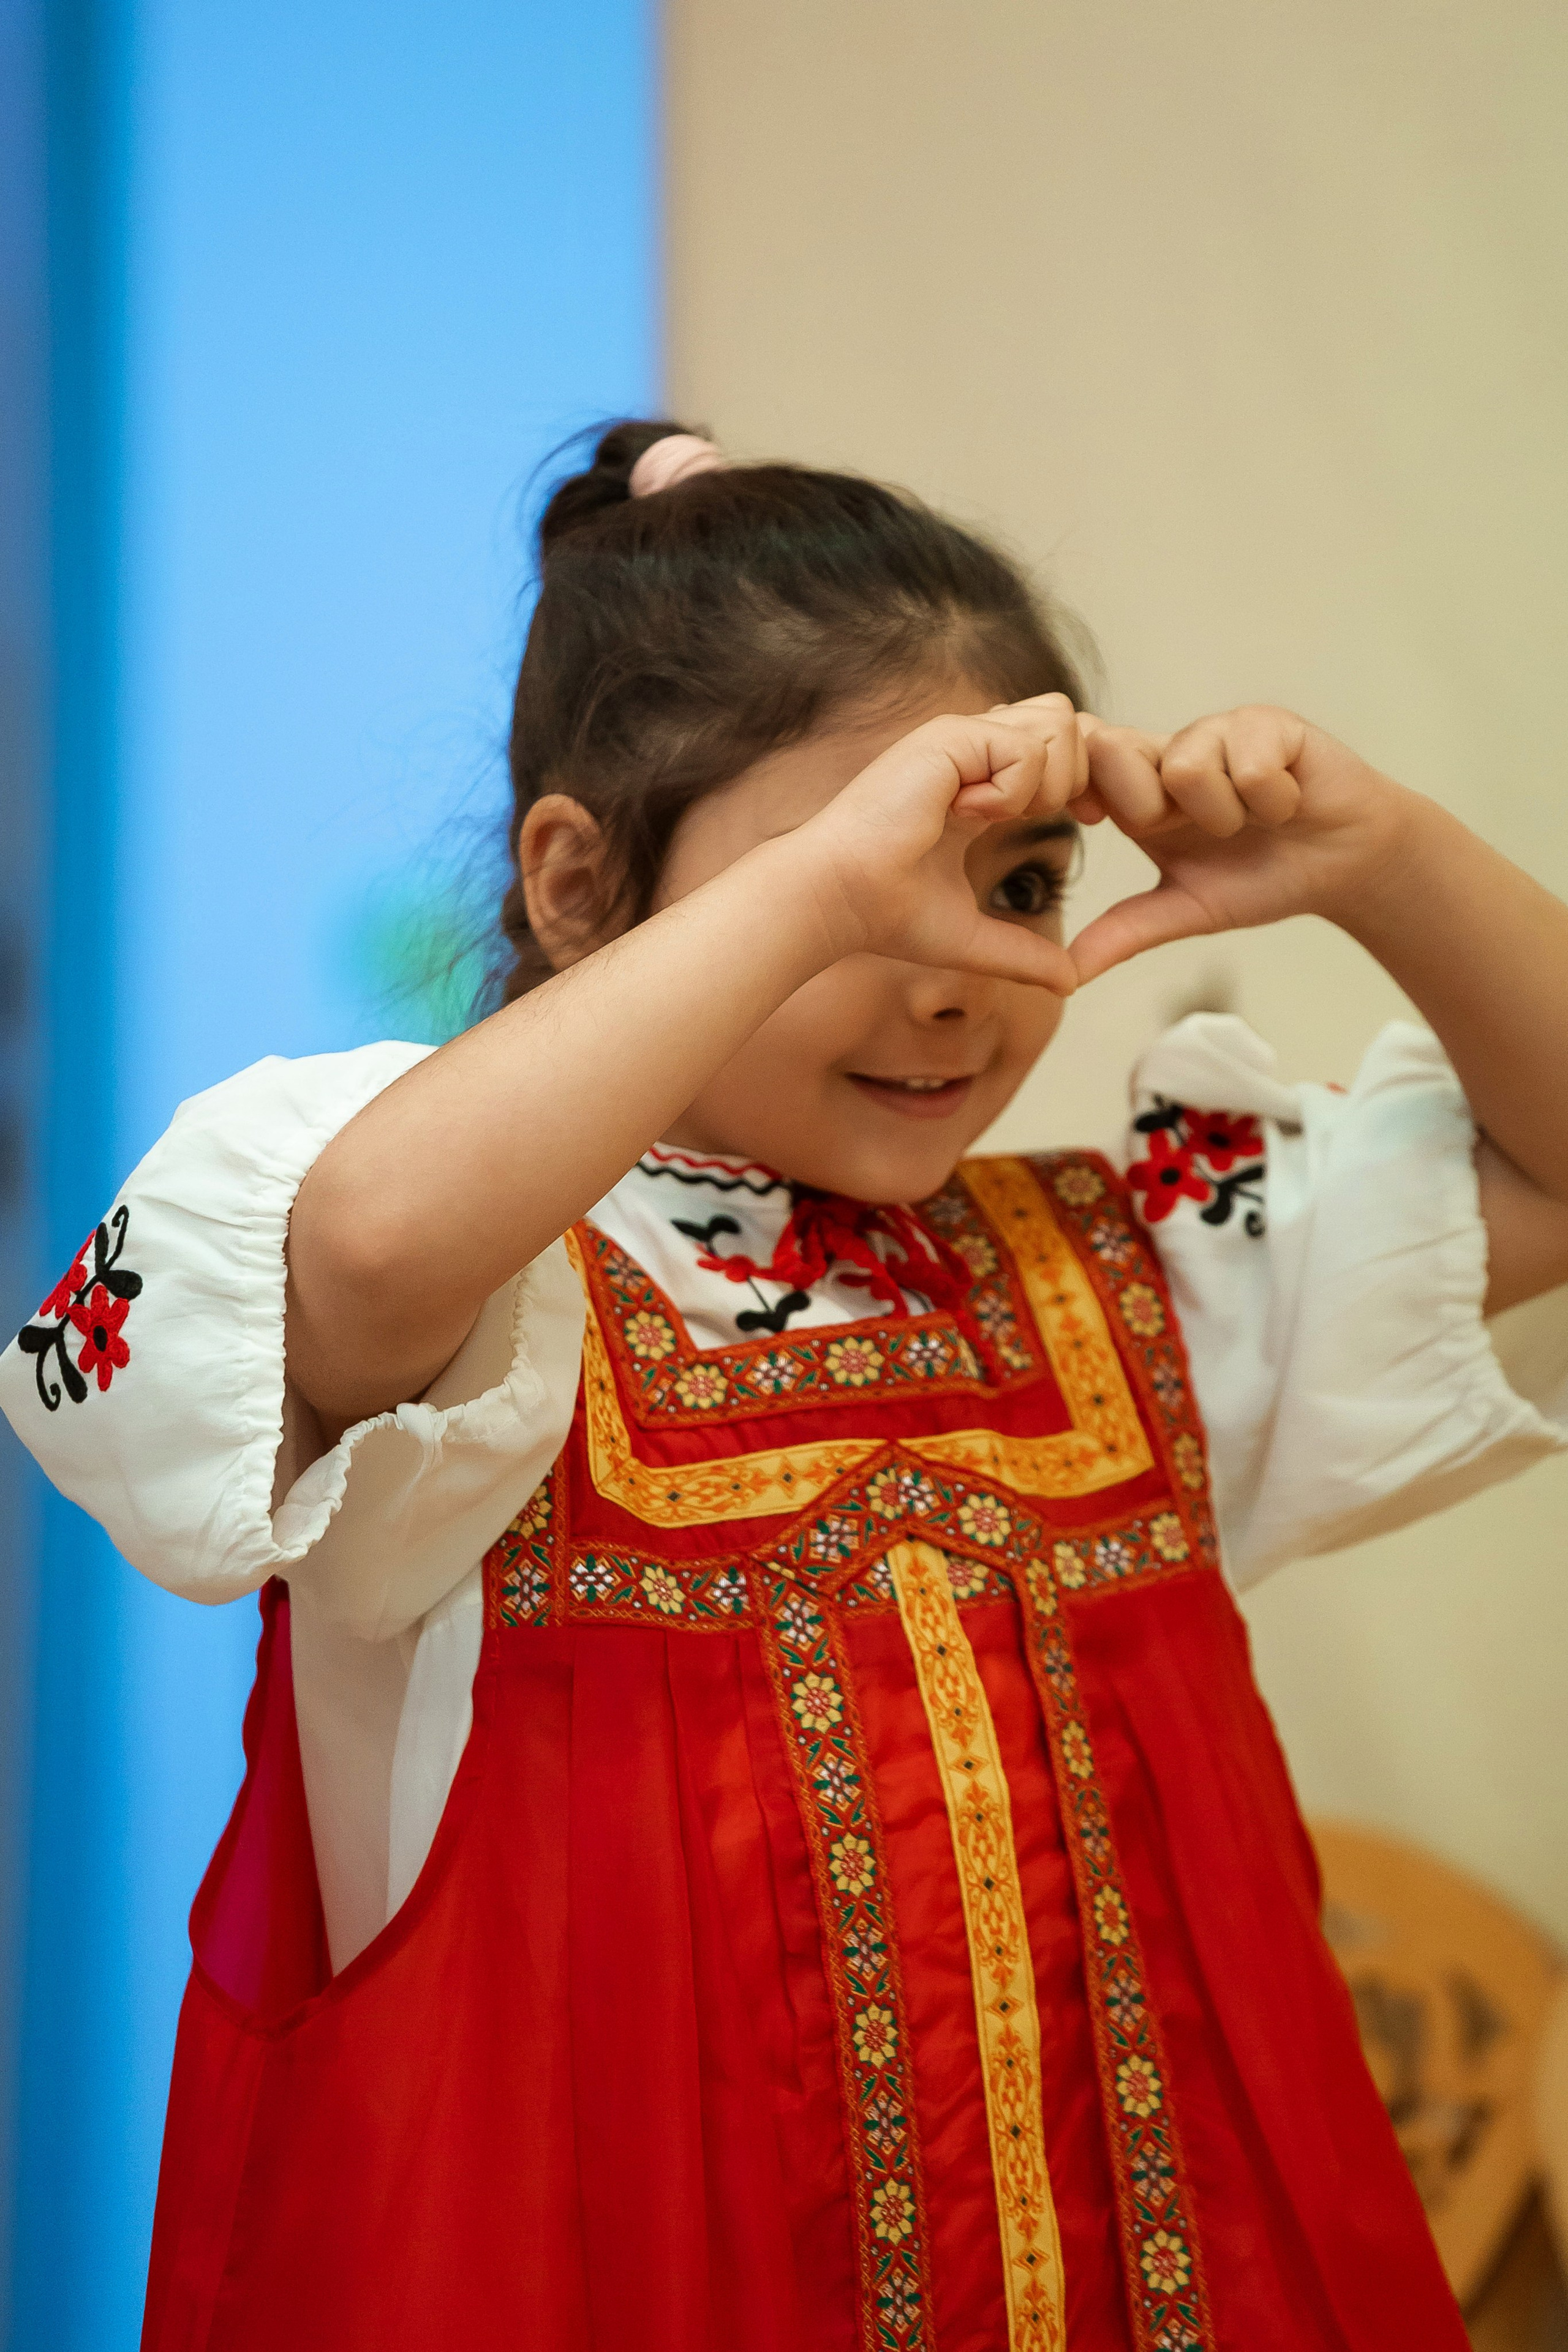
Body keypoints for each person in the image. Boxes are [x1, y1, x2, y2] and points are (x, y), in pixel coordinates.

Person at [6, 421, 1568, 2352]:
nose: (952, 973)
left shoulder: (1133, 1265)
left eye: (1015, 883)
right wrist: (826, 884)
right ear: (579, 887)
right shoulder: (492, 1307)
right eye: (862, 889)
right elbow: (364, 1257)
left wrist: (1390, 860)